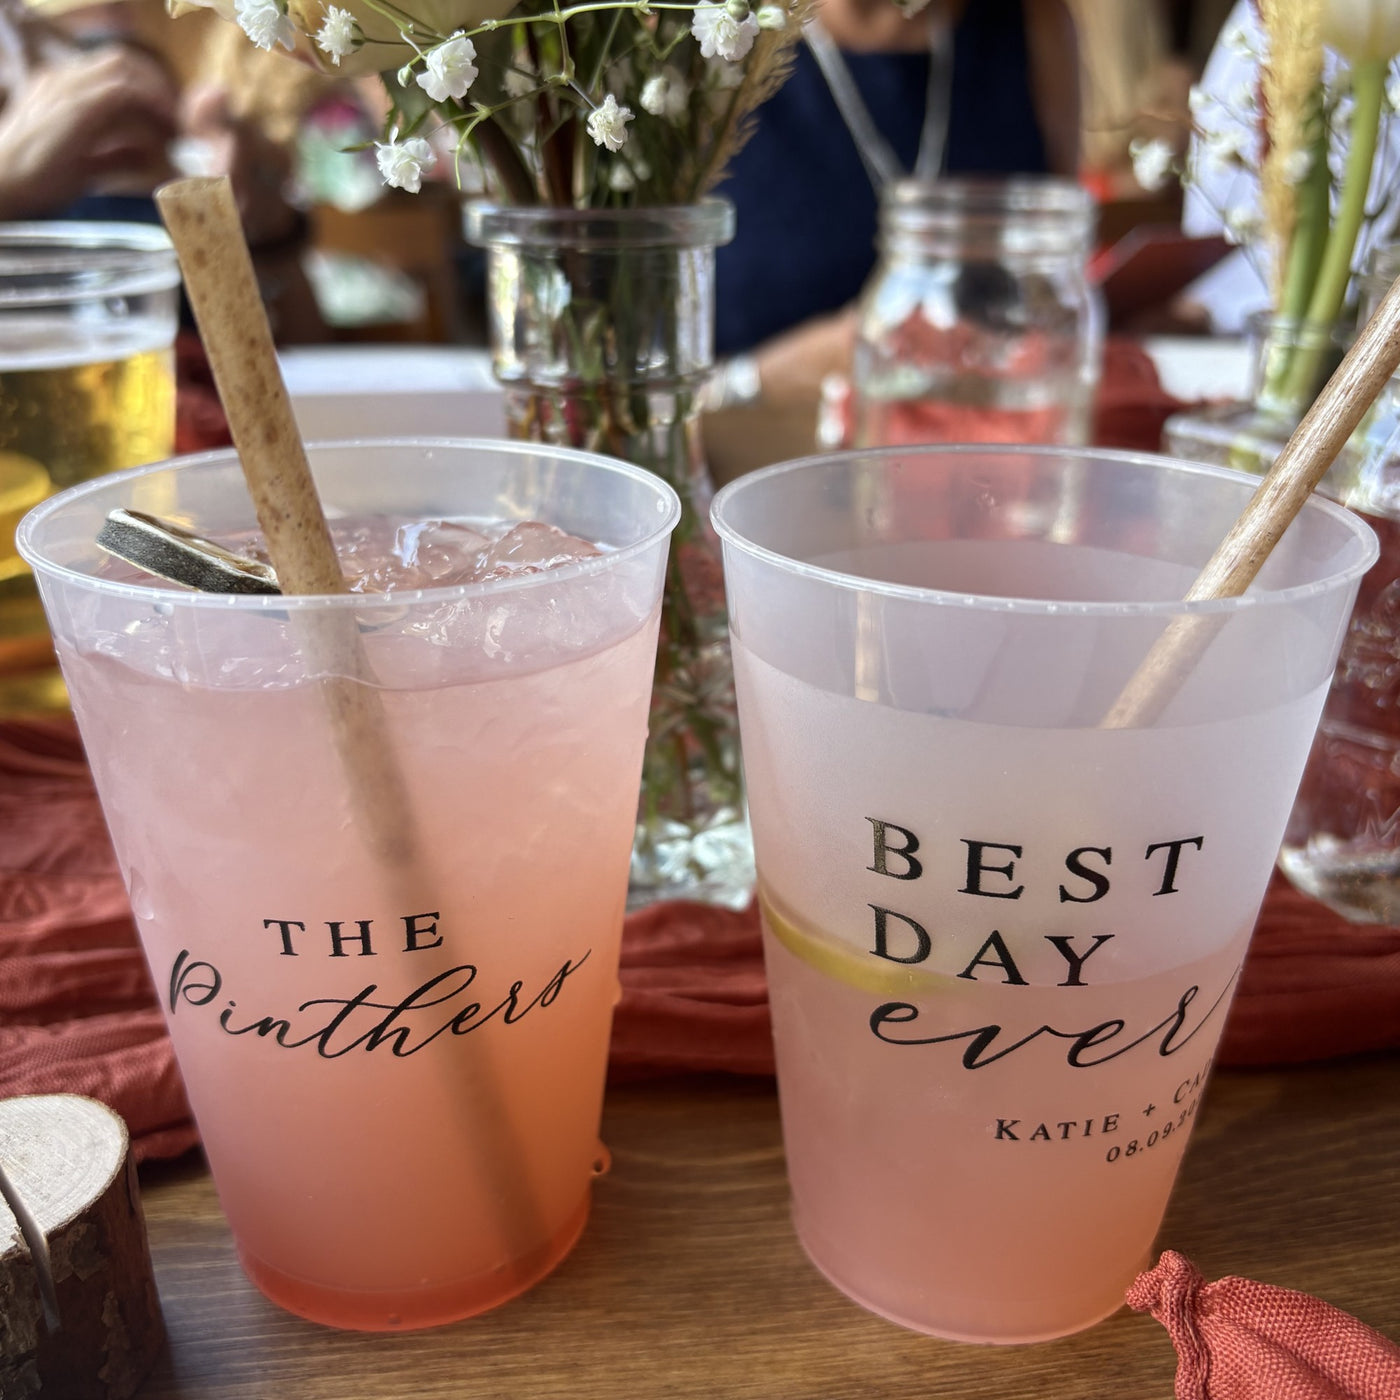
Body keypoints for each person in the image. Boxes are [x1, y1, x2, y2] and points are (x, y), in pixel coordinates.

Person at [711, 0, 1080, 409]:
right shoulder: (707, 39)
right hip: (758, 440)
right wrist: (753, 381)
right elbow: (659, 390)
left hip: (990, 431)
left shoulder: (1035, 23)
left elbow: (1060, 290)